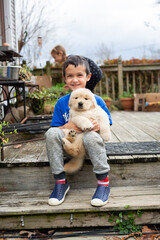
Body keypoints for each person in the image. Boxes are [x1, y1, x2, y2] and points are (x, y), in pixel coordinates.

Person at [45, 55, 112, 207]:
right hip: (71, 141)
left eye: (79, 75)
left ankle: (103, 184)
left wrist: (98, 126)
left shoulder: (96, 100)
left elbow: (107, 122)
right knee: (50, 133)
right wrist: (67, 127)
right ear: (64, 78)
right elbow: (56, 129)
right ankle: (61, 182)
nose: (75, 80)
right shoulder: (62, 103)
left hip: (90, 145)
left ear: (88, 77)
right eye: (70, 76)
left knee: (91, 136)